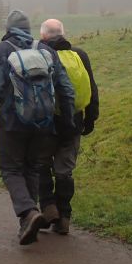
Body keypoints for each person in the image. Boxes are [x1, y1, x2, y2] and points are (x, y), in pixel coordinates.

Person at [0, 9, 76, 245]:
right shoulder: (45, 50)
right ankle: (28, 222)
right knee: (32, 168)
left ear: (8, 28)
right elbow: (66, 88)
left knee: (10, 169)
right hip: (44, 124)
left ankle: (28, 212)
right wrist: (68, 121)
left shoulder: (2, 50)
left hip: (13, 123)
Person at [37, 18, 99, 235]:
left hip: (45, 124)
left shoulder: (39, 55)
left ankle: (48, 206)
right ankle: (64, 216)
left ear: (44, 35)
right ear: (63, 33)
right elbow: (91, 87)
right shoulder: (79, 55)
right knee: (65, 171)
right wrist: (91, 118)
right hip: (73, 121)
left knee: (41, 164)